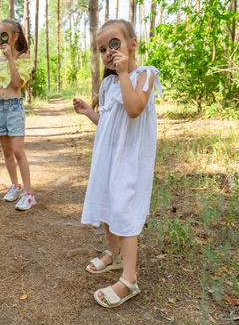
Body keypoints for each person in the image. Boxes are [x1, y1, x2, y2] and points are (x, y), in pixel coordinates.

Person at [73, 19, 162, 308]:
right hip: (109, 158)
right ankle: (113, 254)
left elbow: (134, 109)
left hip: (130, 161)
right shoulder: (109, 82)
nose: (109, 53)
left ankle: (129, 279)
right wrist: (90, 113)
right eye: (102, 49)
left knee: (123, 211)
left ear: (132, 43)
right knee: (110, 204)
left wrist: (124, 71)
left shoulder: (144, 75)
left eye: (115, 44)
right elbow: (109, 124)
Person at [0, 19, 36, 211]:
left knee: (18, 151)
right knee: (6, 151)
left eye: (3, 35)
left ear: (14, 37)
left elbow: (16, 84)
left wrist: (11, 59)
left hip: (14, 108)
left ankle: (29, 194)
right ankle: (15, 186)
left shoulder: (23, 58)